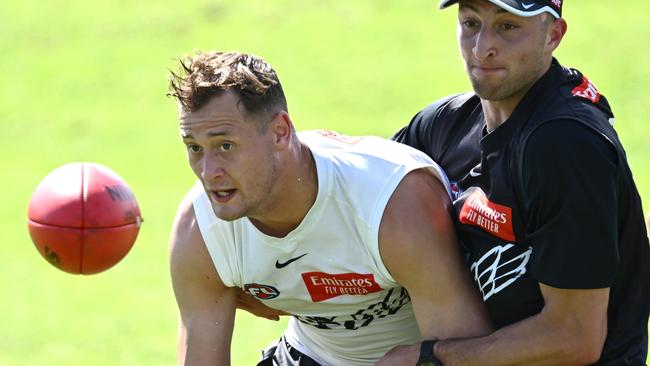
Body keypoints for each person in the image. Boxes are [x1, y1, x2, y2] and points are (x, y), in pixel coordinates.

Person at [166, 51, 491, 366]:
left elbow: (462, 354)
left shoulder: (391, 202)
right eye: (194, 148)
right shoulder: (200, 230)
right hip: (309, 355)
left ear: (280, 131)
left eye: (226, 146)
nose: (209, 173)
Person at [380, 0, 650, 365]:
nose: (482, 47)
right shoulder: (445, 125)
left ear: (553, 35)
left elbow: (574, 337)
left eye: (507, 27)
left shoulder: (564, 145)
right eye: (471, 23)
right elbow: (360, 191)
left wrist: (431, 358)